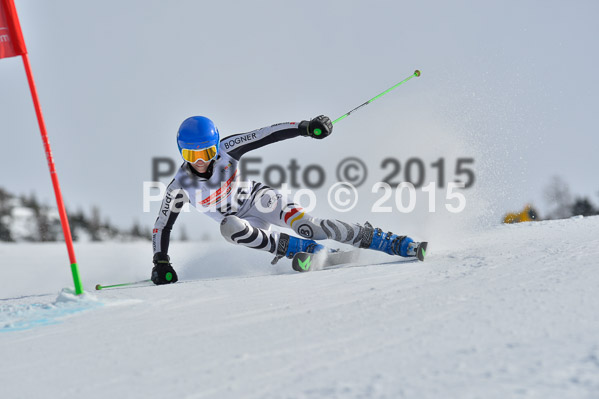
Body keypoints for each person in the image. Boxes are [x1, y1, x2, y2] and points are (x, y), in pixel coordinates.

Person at [151, 115, 427, 285]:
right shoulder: (179, 186)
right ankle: (298, 249)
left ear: (216, 146)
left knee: (311, 226)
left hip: (261, 200)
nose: (200, 162)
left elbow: (266, 134)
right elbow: (162, 226)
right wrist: (161, 262)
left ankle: (390, 242)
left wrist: (305, 127)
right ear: (181, 153)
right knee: (229, 226)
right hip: (243, 224)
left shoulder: (227, 149)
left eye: (206, 153)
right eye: (191, 156)